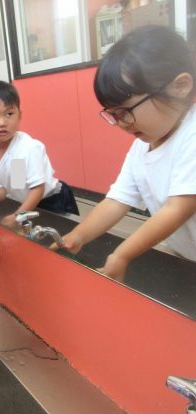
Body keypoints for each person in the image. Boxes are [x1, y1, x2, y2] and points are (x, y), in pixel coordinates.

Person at [57, 25, 196, 281]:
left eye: (126, 111)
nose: (121, 123)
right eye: (113, 114)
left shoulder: (192, 136)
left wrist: (122, 255)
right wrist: (78, 236)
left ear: (180, 86)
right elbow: (116, 201)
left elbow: (177, 209)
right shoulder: (142, 146)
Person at [0, 80, 79, 228]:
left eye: (9, 114)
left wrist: (18, 216)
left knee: (59, 237)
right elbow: (1, 192)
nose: (2, 122)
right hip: (27, 202)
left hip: (52, 201)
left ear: (19, 115)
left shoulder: (27, 147)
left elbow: (37, 189)